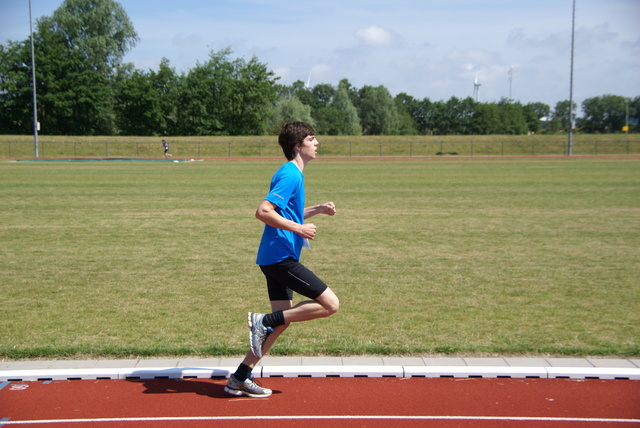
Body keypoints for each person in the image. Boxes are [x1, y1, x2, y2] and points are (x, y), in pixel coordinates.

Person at [224, 122, 340, 398]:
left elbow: (287, 212)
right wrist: (299, 229)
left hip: (273, 257)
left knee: (282, 322)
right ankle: (263, 320)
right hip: (280, 257)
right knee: (330, 304)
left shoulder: (292, 174)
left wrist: (317, 210)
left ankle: (239, 378)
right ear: (298, 146)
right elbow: (263, 211)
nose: (317, 142)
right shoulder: (291, 175)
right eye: (312, 139)